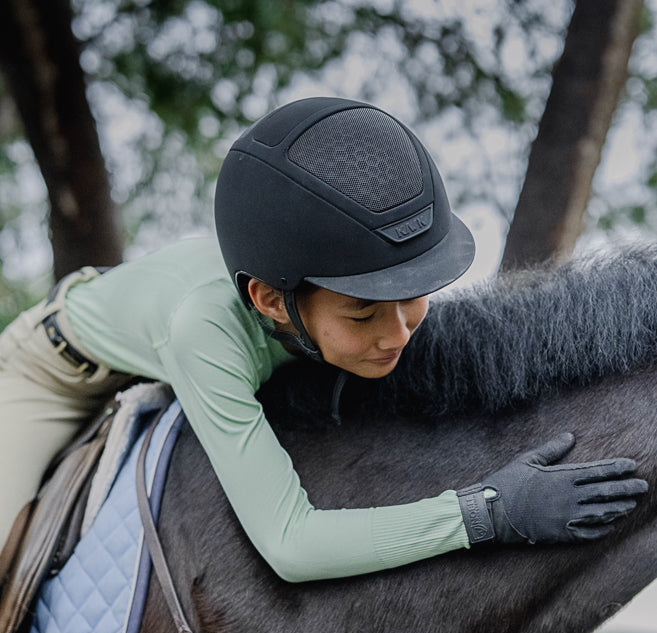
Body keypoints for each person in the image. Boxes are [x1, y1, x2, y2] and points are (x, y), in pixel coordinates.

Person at [0, 96, 647, 582]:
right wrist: (487, 511)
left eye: (410, 299)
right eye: (362, 313)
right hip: (52, 375)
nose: (396, 336)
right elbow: (289, 543)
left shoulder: (337, 294)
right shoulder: (206, 332)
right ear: (269, 299)